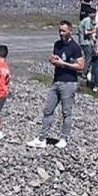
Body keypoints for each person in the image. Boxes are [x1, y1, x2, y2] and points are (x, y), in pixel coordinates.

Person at [27, 21, 84, 150]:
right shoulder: (57, 44)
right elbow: (55, 59)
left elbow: (81, 66)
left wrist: (64, 64)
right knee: (48, 109)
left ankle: (64, 138)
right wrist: (53, 61)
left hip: (69, 82)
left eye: (63, 31)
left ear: (70, 31)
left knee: (66, 112)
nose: (61, 33)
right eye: (60, 30)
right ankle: (42, 137)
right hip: (56, 80)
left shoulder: (75, 47)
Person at [77, 12, 95, 77]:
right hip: (85, 42)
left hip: (85, 41)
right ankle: (84, 72)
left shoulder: (87, 20)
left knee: (92, 55)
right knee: (88, 58)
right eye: (94, 13)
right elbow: (86, 32)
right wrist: (95, 31)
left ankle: (88, 70)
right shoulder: (87, 20)